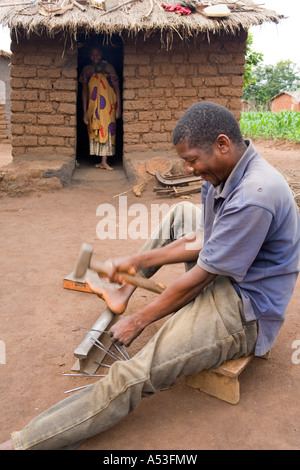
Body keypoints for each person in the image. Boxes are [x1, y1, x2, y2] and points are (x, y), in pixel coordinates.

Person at [1, 102, 299, 450]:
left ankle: (23, 444)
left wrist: (140, 320)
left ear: (222, 144)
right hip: (226, 272)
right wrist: (135, 260)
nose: (188, 168)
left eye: (192, 160)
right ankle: (122, 292)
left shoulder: (254, 195)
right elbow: (200, 240)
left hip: (246, 308)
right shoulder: (221, 175)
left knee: (132, 374)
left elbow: (201, 277)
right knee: (183, 214)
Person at [79, 45, 121, 170]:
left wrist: (119, 108)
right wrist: (85, 111)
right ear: (89, 55)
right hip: (93, 106)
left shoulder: (109, 68)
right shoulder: (87, 70)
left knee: (107, 130)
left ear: (101, 54)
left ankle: (104, 161)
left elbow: (116, 88)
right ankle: (100, 161)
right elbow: (85, 91)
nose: (95, 57)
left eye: (97, 55)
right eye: (92, 55)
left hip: (108, 106)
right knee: (95, 130)